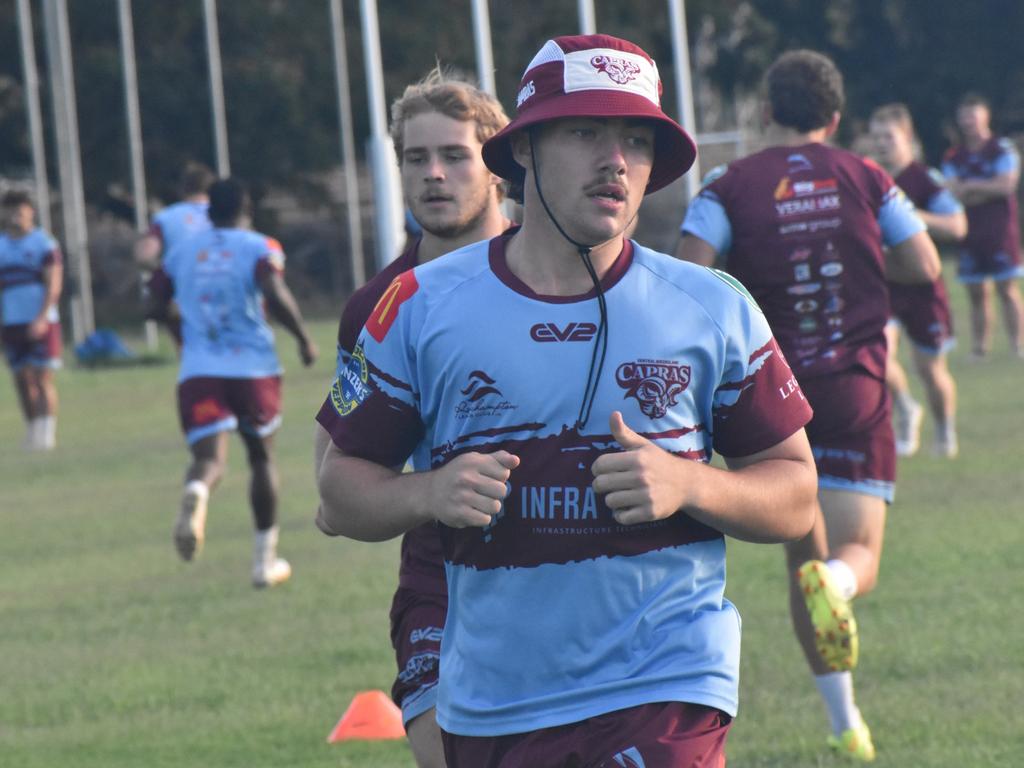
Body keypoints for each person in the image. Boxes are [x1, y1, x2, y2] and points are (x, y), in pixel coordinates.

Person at [317, 34, 818, 767]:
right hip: (493, 699)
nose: (614, 159)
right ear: (523, 150)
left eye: (635, 140)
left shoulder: (712, 307)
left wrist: (689, 482)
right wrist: (430, 491)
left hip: (667, 681)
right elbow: (339, 494)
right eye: (586, 132)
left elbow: (797, 492)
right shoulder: (419, 305)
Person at [678, 50, 940, 761]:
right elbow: (924, 263)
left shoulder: (728, 185)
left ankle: (845, 722)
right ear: (835, 116)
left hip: (772, 398)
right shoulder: (867, 177)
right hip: (855, 386)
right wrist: (859, 261)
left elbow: (688, 276)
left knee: (803, 555)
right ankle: (841, 583)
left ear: (766, 111)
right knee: (856, 559)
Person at [313, 67, 511, 768]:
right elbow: (332, 491)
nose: (434, 174)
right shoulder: (377, 306)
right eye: (415, 157)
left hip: (568, 571)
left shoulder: (566, 276)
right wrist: (426, 491)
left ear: (498, 164)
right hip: (440, 582)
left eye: (455, 155)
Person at [148, 178, 318, 587]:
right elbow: (273, 292)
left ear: (208, 213)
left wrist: (176, 321)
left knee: (210, 459)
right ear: (248, 210)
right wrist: (302, 337)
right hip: (253, 370)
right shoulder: (261, 247)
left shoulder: (181, 253)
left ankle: (198, 491)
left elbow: (153, 305)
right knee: (261, 459)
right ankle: (264, 563)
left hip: (199, 370)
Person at [869, 103, 967, 458]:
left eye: (888, 137)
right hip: (883, 287)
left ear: (907, 138)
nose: (881, 144)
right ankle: (907, 408)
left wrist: (905, 215)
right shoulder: (869, 178)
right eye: (875, 137)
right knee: (876, 353)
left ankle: (944, 428)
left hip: (924, 289)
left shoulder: (926, 179)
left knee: (930, 369)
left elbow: (957, 226)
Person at [942, 93, 1024, 359]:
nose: (968, 122)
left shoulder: (1002, 149)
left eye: (973, 115)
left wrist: (973, 186)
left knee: (1006, 289)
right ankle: (979, 349)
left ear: (985, 116)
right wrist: (984, 188)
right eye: (964, 116)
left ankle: (1018, 345)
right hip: (969, 232)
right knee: (976, 293)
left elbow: (1006, 185)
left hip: (1000, 231)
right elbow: (952, 193)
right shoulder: (954, 156)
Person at [0, 191, 63, 451]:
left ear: (31, 212)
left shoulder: (43, 244)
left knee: (41, 376)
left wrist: (41, 317)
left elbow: (53, 285)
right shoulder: (1, 245)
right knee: (20, 378)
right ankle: (32, 429)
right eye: (10, 209)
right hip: (10, 321)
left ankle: (46, 433)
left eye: (20, 209)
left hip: (40, 320)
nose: (15, 214)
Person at [135, 162, 215, 270]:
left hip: (183, 284)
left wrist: (167, 273)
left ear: (182, 188)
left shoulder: (166, 217)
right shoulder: (225, 215)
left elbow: (144, 255)